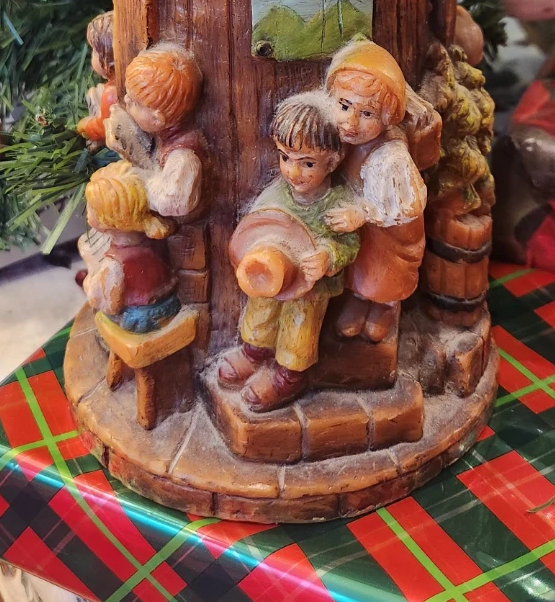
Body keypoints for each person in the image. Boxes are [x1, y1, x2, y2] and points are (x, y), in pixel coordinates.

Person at [220, 92, 359, 412]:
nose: (293, 172)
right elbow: (258, 221)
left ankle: (288, 375)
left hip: (311, 287)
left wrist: (327, 256)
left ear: (332, 161)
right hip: (270, 275)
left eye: (307, 163)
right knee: (260, 310)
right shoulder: (278, 192)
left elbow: (350, 245)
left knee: (299, 327)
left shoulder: (336, 203)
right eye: (285, 158)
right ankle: (254, 352)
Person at [324, 39, 427, 344]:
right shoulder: (342, 139)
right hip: (364, 232)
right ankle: (359, 300)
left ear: (386, 117)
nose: (351, 122)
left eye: (367, 114)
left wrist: (363, 212)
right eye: (344, 106)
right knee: (361, 271)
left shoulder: (389, 157)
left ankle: (384, 307)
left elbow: (406, 206)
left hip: (392, 234)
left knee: (383, 276)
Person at [106, 43, 205, 221]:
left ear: (157, 119)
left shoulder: (182, 156)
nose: (126, 100)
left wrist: (137, 179)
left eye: (135, 103)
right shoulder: (163, 131)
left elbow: (173, 200)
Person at [80, 160, 179, 333]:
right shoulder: (155, 237)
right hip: (171, 304)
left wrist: (92, 273)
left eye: (92, 208)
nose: (88, 212)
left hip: (140, 319)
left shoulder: (114, 265)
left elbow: (111, 306)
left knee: (104, 312)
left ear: (109, 220)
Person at [75, 10, 117, 150]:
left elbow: (102, 127)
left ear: (109, 61)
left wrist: (85, 126)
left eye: (94, 51)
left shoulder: (112, 94)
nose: (91, 56)